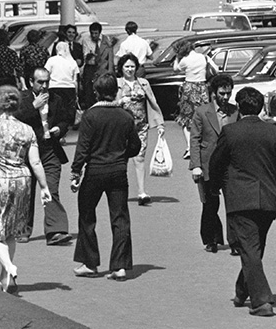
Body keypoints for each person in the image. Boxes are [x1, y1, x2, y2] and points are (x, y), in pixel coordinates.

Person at [209, 87, 276, 317]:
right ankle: (241, 291)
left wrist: (213, 189)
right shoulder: (274, 133)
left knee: (250, 249)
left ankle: (261, 300)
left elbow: (216, 163)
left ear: (238, 107)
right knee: (254, 249)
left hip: (240, 197)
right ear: (262, 108)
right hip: (268, 199)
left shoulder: (230, 132)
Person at [71, 74, 143, 281]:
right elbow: (135, 146)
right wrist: (121, 155)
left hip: (95, 170)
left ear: (96, 93)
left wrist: (76, 171)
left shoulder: (91, 116)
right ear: (116, 91)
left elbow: (83, 148)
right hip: (118, 171)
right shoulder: (125, 116)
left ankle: (90, 262)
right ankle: (119, 266)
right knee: (120, 217)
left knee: (86, 215)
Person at [0, 86, 51, 292]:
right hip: (22, 181)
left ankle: (9, 266)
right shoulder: (27, 130)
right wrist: (45, 187)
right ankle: (5, 278)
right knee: (11, 231)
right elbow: (36, 162)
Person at [16, 68, 72, 246]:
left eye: (47, 81)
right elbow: (14, 120)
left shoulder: (56, 99)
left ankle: (55, 231)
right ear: (31, 82)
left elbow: (65, 120)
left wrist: (60, 129)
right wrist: (34, 106)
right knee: (27, 191)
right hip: (27, 152)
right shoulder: (22, 99)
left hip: (50, 151)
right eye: (40, 82)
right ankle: (22, 229)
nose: (44, 85)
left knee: (51, 189)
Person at [189, 74, 238, 253]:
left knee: (233, 205)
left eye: (228, 93)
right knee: (210, 205)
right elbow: (194, 139)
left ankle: (234, 242)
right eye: (222, 93)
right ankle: (211, 239)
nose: (225, 97)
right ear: (214, 93)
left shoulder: (235, 111)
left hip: (229, 166)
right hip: (208, 164)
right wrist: (196, 165)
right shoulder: (202, 112)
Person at [115, 54, 165, 207]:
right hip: (121, 127)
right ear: (121, 68)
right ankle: (119, 192)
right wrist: (121, 101)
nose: (130, 69)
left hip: (141, 126)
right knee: (120, 159)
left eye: (132, 66)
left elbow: (153, 102)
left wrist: (160, 124)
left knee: (140, 157)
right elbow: (110, 102)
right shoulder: (116, 83)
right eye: (127, 66)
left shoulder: (143, 83)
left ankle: (142, 192)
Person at [173, 40, 210, 159]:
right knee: (203, 116)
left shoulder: (185, 60)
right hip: (202, 87)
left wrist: (177, 57)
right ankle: (202, 144)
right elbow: (216, 69)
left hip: (189, 87)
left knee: (186, 118)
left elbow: (176, 69)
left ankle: (189, 147)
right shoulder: (203, 57)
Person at [79, 22, 114, 111]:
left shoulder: (105, 40)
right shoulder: (86, 40)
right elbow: (85, 55)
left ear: (99, 33)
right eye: (92, 33)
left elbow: (110, 58)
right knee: (89, 91)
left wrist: (110, 72)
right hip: (90, 67)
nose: (94, 35)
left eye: (96, 33)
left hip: (101, 68)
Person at [45, 41, 80, 129]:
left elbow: (46, 74)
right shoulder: (72, 62)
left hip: (54, 87)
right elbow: (75, 80)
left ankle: (57, 129)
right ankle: (64, 129)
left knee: (55, 111)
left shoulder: (51, 60)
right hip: (69, 89)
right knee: (67, 112)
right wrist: (76, 94)